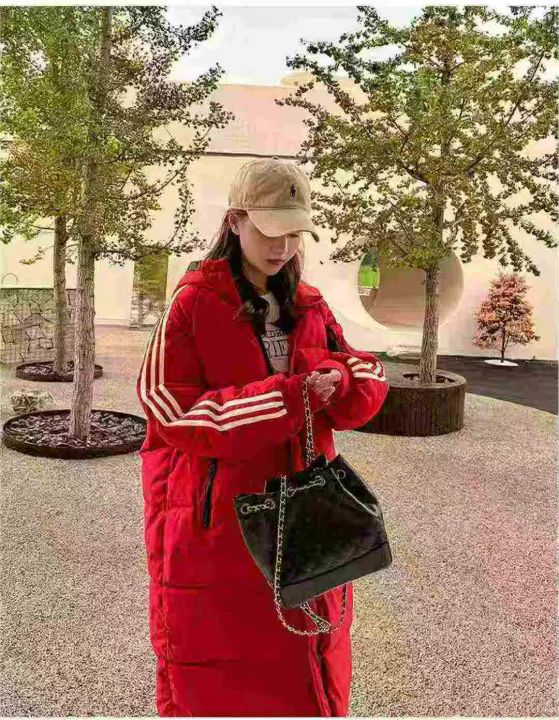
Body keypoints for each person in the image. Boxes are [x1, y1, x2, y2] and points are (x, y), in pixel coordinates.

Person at [135, 157, 389, 717]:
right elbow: (169, 409)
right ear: (235, 221)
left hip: (304, 513)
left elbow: (366, 372)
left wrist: (340, 380)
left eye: (295, 234)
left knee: (306, 656)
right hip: (219, 520)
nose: (284, 247)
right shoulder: (192, 303)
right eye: (271, 232)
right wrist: (288, 399)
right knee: (216, 665)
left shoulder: (308, 304)